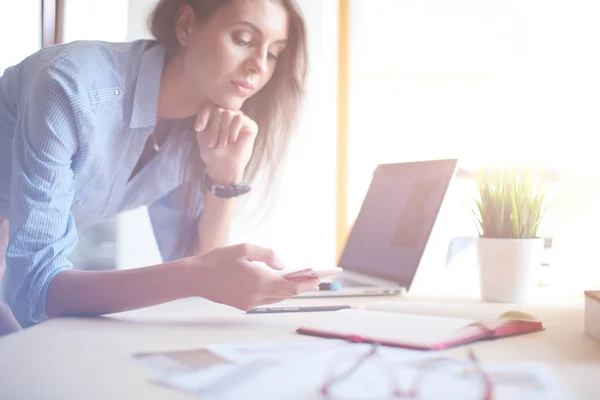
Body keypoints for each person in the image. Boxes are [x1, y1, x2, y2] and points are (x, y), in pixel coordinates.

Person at [0, 0, 320, 330]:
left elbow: (198, 271)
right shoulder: (73, 87)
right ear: (186, 26)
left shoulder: (199, 131)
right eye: (243, 39)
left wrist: (225, 180)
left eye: (273, 52)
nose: (258, 66)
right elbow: (33, 291)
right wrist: (198, 276)